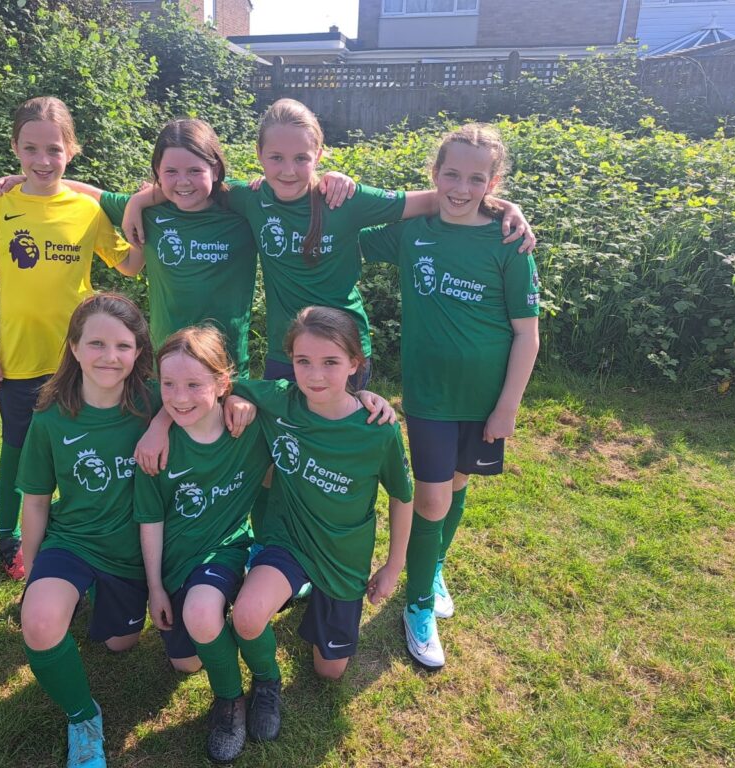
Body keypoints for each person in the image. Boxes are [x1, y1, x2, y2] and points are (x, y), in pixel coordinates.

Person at [124, 98, 536, 389]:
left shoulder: (346, 199)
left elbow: (433, 200)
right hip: (286, 351)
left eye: (302, 158)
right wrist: (141, 199)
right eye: (276, 158)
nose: (288, 170)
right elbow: (191, 185)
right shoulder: (248, 197)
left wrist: (501, 205)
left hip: (345, 348)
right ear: (259, 154)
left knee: (338, 449)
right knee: (280, 452)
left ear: (319, 154)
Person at [358, 123, 541, 670]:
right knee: (431, 498)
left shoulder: (508, 242)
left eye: (477, 178)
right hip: (430, 395)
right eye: (451, 174)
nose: (462, 187)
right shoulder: (414, 231)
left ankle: (432, 565)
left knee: (458, 486)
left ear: (495, 181)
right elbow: (349, 234)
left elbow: (527, 334)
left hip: (485, 399)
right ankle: (416, 608)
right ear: (433, 174)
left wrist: (507, 405)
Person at [0, 117, 354, 380]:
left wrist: (331, 178)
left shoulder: (241, 206)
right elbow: (90, 193)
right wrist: (29, 179)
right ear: (157, 173)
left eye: (195, 171)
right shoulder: (156, 211)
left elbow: (289, 186)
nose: (184, 182)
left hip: (226, 365)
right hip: (165, 365)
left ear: (216, 169)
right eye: (171, 172)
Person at [0, 96, 143, 581]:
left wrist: (142, 213)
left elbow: (128, 264)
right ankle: (10, 536)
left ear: (72, 150)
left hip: (82, 362)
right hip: (21, 357)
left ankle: (77, 531)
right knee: (18, 451)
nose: (42, 161)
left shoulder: (87, 209)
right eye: (31, 149)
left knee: (79, 448)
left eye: (54, 149)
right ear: (15, 148)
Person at [227, 306, 414, 742]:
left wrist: (393, 566)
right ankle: (267, 681)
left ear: (355, 364)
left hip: (342, 556)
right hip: (287, 539)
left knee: (329, 671)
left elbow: (403, 497)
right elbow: (221, 386)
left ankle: (312, 591)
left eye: (331, 362)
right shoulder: (281, 399)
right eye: (302, 361)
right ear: (289, 361)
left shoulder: (376, 427)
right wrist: (237, 398)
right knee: (248, 618)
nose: (314, 375)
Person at [15, 293, 156, 768]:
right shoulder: (51, 415)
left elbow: (221, 393)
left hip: (135, 554)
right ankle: (83, 716)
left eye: (122, 345)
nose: (109, 357)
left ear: (138, 351)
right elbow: (35, 500)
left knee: (119, 645)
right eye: (95, 343)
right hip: (73, 542)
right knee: (38, 621)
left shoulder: (158, 402)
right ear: (73, 348)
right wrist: (33, 568)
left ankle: (93, 599)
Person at [134, 326, 272, 763]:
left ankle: (238, 696)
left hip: (224, 550)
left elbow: (311, 398)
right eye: (169, 385)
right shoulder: (156, 446)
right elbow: (151, 519)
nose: (179, 397)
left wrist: (369, 398)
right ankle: (217, 627)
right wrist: (155, 587)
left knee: (200, 614)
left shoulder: (248, 429)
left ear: (222, 384)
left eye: (195, 385)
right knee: (186, 662)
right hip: (174, 561)